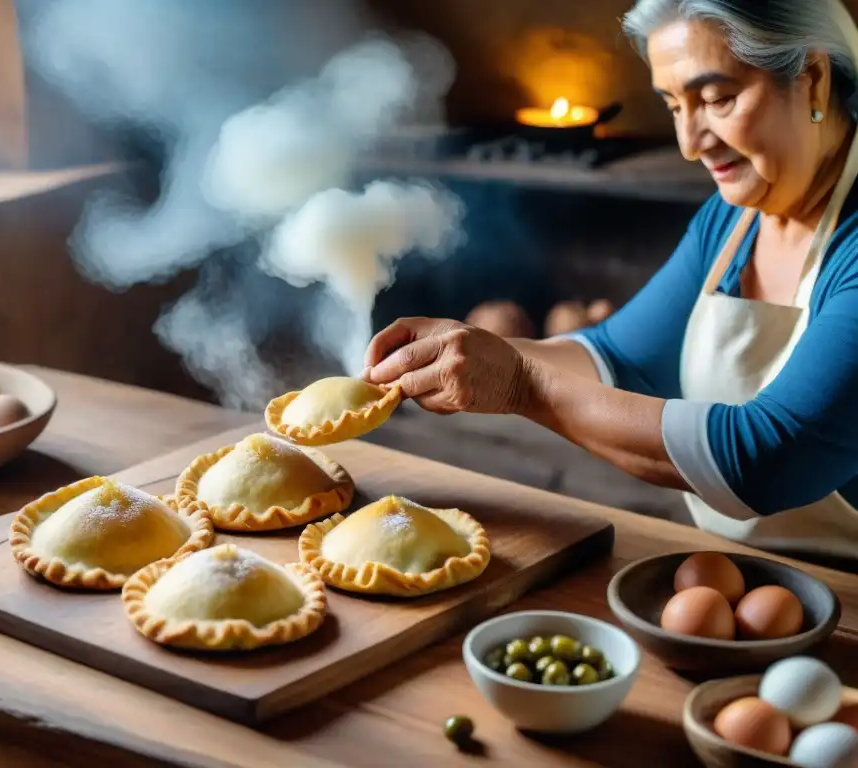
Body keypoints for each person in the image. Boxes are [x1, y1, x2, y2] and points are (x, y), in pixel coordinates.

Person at [362, 0, 858, 566]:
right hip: (747, 569)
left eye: (718, 99)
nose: (691, 143)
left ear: (813, 79)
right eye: (674, 106)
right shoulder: (733, 220)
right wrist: (466, 357)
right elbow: (620, 357)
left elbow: (771, 459)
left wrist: (521, 384)